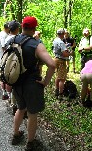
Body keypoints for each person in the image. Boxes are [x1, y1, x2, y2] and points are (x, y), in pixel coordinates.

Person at [10, 16, 55, 150]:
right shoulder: (36, 45)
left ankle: (16, 134)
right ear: (35, 28)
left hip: (16, 82)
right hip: (32, 83)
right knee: (32, 114)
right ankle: (30, 143)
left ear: (22, 27)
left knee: (20, 108)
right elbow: (52, 65)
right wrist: (46, 81)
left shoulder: (13, 40)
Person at [4, 20, 20, 114]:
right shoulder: (16, 39)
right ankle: (15, 104)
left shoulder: (7, 38)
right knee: (15, 84)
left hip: (7, 62)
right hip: (14, 63)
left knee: (11, 82)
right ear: (17, 29)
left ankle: (12, 101)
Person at [53, 28, 72, 100]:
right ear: (63, 34)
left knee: (58, 76)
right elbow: (64, 54)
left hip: (56, 59)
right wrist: (70, 53)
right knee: (62, 79)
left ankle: (56, 91)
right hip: (61, 61)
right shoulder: (61, 42)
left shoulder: (55, 40)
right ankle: (60, 95)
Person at [0, 22, 10, 100]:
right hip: (3, 58)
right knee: (4, 76)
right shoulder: (3, 35)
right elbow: (3, 46)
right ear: (7, 28)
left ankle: (5, 93)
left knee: (3, 76)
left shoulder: (0, 34)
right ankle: (5, 93)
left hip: (0, 57)